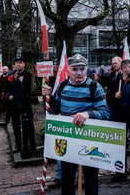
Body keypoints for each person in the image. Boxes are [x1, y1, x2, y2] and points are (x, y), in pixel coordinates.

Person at [42, 53, 109, 195]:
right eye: (75, 69)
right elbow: (55, 109)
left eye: (82, 68)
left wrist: (87, 115)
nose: (79, 72)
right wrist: (49, 97)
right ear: (68, 70)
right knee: (67, 180)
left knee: (91, 181)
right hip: (68, 140)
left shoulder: (94, 86)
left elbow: (104, 113)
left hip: (89, 141)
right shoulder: (62, 85)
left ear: (86, 69)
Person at [5, 57, 36, 159]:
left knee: (28, 125)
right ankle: (18, 144)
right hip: (14, 105)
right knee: (16, 125)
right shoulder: (10, 74)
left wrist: (17, 80)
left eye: (20, 63)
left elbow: (26, 89)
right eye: (16, 63)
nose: (18, 64)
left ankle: (31, 146)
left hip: (25, 104)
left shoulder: (28, 75)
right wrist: (9, 95)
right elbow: (7, 88)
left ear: (24, 64)